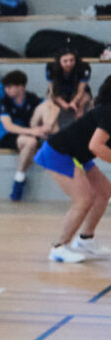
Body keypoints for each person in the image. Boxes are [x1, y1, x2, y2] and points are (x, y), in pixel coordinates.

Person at [39, 84, 111, 262]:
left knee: (104, 191)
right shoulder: (109, 113)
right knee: (84, 199)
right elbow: (96, 146)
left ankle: (85, 240)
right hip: (58, 152)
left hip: (77, 155)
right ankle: (59, 247)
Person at [0, 70, 54, 201]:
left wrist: (44, 128)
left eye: (10, 87)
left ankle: (20, 176)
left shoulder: (33, 99)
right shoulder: (4, 102)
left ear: (21, 87)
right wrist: (32, 132)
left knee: (32, 142)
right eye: (6, 87)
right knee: (30, 142)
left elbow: (48, 109)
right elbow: (9, 127)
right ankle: (19, 178)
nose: (7, 90)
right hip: (11, 136)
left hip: (32, 135)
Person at [41, 45, 93, 124]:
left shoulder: (83, 67)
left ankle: (80, 122)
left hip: (76, 90)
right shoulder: (51, 68)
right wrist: (64, 104)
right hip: (59, 90)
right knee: (49, 102)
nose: (69, 64)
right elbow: (52, 91)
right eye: (65, 61)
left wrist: (74, 102)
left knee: (84, 98)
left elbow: (81, 91)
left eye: (71, 60)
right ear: (59, 61)